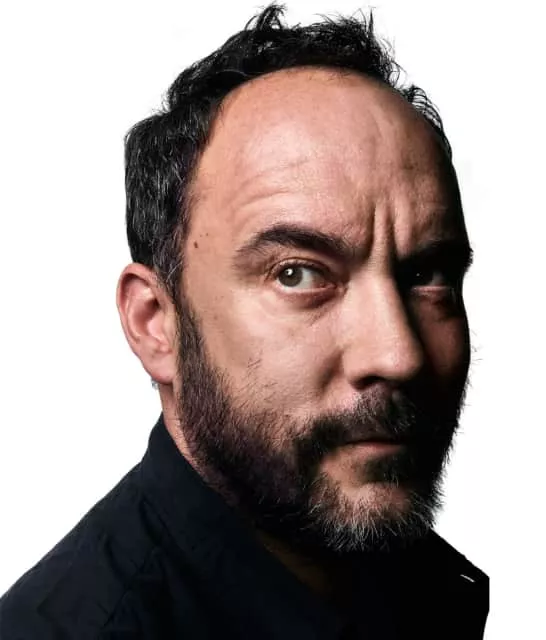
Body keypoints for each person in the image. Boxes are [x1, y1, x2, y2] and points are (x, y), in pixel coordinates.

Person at [0, 4, 489, 638]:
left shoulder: (413, 588)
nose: (399, 356)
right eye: (297, 274)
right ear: (156, 323)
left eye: (428, 275)